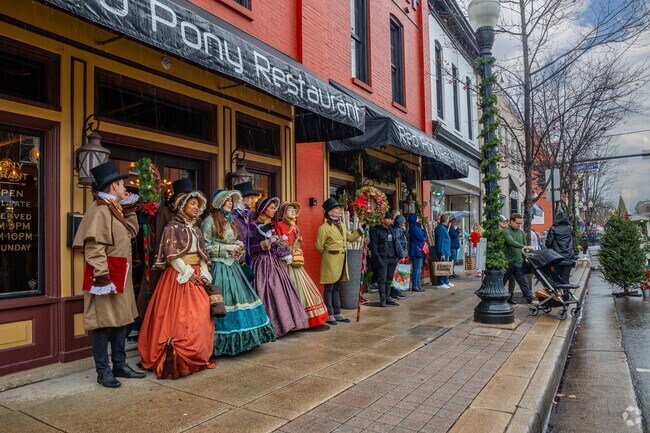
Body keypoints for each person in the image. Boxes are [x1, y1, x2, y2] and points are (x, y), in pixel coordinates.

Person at [72, 161, 145, 388]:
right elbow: (94, 248)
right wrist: (103, 278)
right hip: (106, 277)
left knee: (121, 321)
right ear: (113, 185)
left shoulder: (114, 208)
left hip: (119, 274)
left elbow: (131, 232)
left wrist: (130, 208)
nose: (126, 188)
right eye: (122, 184)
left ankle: (120, 365)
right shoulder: (100, 210)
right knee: (103, 325)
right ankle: (103, 371)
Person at [138, 190, 217, 379]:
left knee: (201, 313)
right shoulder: (172, 227)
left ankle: (197, 355)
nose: (196, 208)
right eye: (193, 204)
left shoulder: (196, 228)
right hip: (179, 275)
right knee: (180, 317)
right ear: (183, 206)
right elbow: (172, 255)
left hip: (197, 273)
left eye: (198, 205)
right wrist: (189, 274)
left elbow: (203, 255)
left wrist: (205, 274)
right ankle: (178, 357)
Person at [202, 190, 276, 355]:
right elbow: (205, 247)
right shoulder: (208, 222)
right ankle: (221, 343)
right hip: (218, 267)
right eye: (227, 201)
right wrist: (227, 248)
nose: (230, 203)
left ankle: (245, 341)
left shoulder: (229, 221)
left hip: (232, 266)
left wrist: (237, 247)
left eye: (231, 201)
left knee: (242, 300)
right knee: (223, 303)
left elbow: (229, 241)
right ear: (219, 203)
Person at [249, 198, 308, 337]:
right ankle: (271, 327)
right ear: (263, 209)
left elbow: (276, 246)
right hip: (262, 263)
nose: (273, 210)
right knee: (267, 292)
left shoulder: (272, 225)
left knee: (283, 291)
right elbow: (249, 248)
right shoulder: (253, 225)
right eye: (271, 208)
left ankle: (287, 324)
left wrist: (280, 245)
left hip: (274, 262)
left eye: (275, 208)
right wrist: (263, 245)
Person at [137, 178, 195, 319]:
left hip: (189, 266)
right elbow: (154, 239)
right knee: (163, 299)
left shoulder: (195, 218)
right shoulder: (163, 213)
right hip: (165, 264)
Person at [275, 202, 329, 328]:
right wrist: (290, 248)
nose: (293, 211)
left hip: (295, 260)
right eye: (289, 210)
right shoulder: (279, 225)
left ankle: (306, 316)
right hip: (285, 261)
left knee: (304, 287)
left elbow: (296, 244)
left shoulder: (295, 226)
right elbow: (280, 244)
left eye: (294, 209)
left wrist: (297, 244)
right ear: (283, 213)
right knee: (290, 287)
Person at [316, 197, 365, 324]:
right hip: (330, 261)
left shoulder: (342, 225)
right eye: (336, 209)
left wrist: (361, 230)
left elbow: (349, 238)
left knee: (337, 287)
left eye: (339, 208)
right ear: (329, 212)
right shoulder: (324, 228)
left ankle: (337, 312)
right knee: (329, 287)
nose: (339, 210)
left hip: (342, 261)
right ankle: (329, 313)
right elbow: (319, 246)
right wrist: (329, 255)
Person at [370, 212, 401, 307]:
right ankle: (382, 299)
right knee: (382, 279)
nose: (389, 221)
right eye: (387, 219)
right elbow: (373, 247)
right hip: (383, 258)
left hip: (393, 258)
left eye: (391, 219)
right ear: (383, 219)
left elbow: (396, 243)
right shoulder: (377, 231)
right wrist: (378, 259)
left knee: (389, 279)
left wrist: (398, 256)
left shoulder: (392, 230)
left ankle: (387, 297)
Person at [503, 213, 535, 304]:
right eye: (517, 223)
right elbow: (510, 242)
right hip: (507, 263)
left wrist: (525, 256)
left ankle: (530, 299)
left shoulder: (521, 233)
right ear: (511, 222)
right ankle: (498, 300)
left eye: (520, 223)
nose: (519, 225)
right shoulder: (506, 231)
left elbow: (524, 246)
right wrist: (525, 247)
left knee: (523, 282)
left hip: (518, 262)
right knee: (502, 282)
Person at [545, 210, 577, 285]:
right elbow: (573, 242)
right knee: (566, 279)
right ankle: (566, 295)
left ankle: (558, 295)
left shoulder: (553, 228)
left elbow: (548, 243)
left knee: (556, 279)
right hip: (568, 257)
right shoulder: (570, 228)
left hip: (556, 258)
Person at [390, 214, 408, 299]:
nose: (404, 224)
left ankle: (397, 290)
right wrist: (402, 254)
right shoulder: (397, 230)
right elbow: (398, 243)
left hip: (401, 254)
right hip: (398, 255)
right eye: (403, 223)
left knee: (398, 274)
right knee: (396, 274)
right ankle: (394, 291)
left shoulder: (400, 230)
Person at [408, 213, 427, 292]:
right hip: (416, 249)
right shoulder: (413, 227)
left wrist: (422, 228)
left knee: (419, 268)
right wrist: (423, 234)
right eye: (417, 217)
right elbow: (421, 237)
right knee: (416, 268)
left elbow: (424, 235)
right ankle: (415, 285)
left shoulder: (417, 226)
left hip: (419, 249)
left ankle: (418, 285)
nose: (418, 219)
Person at [434, 214, 452, 289]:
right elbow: (440, 241)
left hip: (446, 250)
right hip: (443, 251)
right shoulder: (441, 228)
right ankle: (440, 282)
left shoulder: (443, 228)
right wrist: (442, 253)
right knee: (442, 266)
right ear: (446, 220)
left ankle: (445, 281)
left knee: (445, 267)